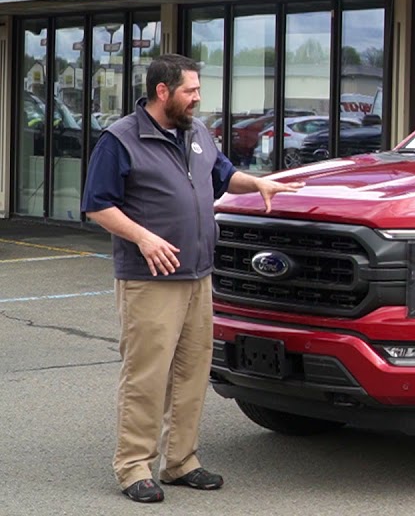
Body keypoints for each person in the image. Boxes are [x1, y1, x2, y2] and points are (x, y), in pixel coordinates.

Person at [82, 54, 300, 503]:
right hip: (151, 279)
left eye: (198, 90)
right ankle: (133, 466)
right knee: (147, 374)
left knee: (191, 372)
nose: (198, 98)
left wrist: (258, 184)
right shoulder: (120, 139)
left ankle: (181, 462)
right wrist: (144, 238)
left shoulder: (196, 132)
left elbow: (221, 176)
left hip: (199, 276)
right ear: (163, 92)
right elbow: (97, 204)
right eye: (190, 91)